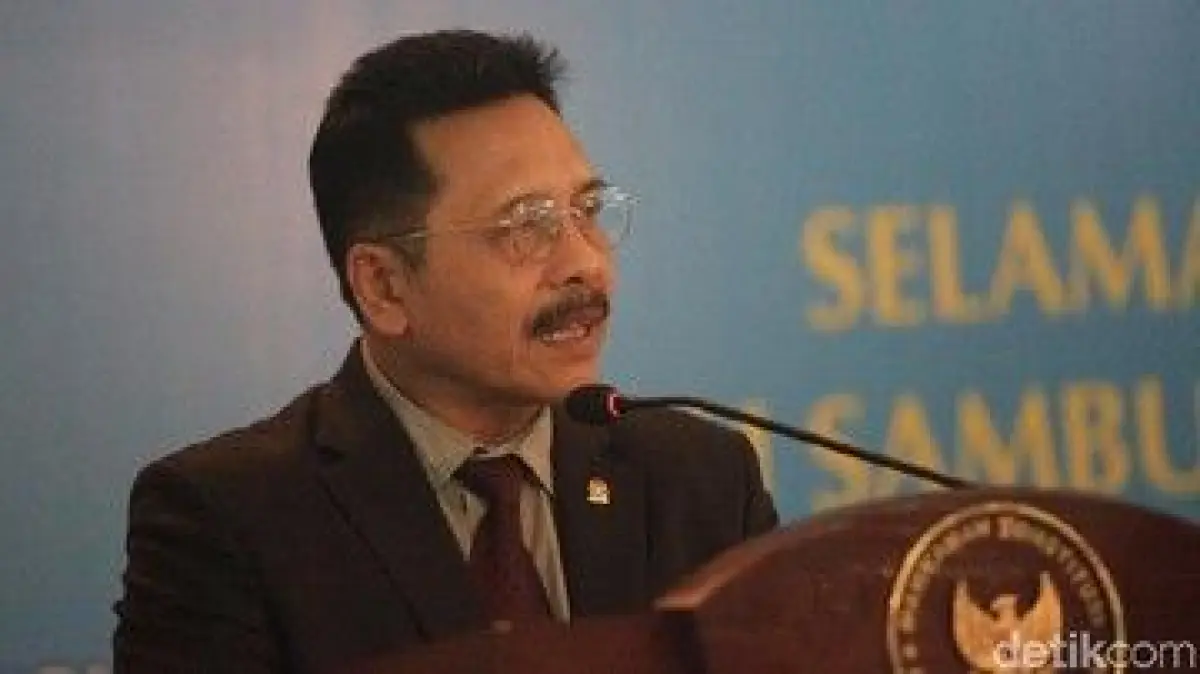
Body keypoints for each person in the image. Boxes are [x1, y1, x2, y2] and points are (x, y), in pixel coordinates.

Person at [112, 28, 778, 674]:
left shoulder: (703, 481)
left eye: (587, 210)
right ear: (383, 286)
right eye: (527, 226)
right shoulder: (229, 519)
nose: (586, 263)